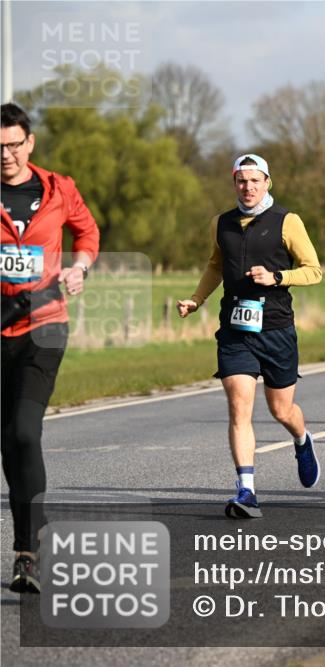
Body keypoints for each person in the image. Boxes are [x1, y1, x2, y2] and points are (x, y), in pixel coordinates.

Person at [177, 154, 323, 519]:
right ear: (234, 183)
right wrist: (196, 300)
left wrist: (277, 277)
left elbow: (314, 271)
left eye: (255, 180)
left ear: (267, 182)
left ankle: (302, 441)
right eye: (242, 181)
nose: (248, 187)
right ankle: (247, 490)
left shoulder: (287, 222)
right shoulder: (221, 223)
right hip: (235, 329)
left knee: (281, 409)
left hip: (275, 328)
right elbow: (215, 265)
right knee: (239, 405)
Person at [2, 102, 100, 592]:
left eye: (14, 144)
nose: (6, 155)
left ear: (30, 143)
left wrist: (79, 266)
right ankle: (25, 549)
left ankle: (28, 551)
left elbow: (87, 232)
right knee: (8, 438)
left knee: (23, 431)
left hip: (45, 326)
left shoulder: (58, 189)